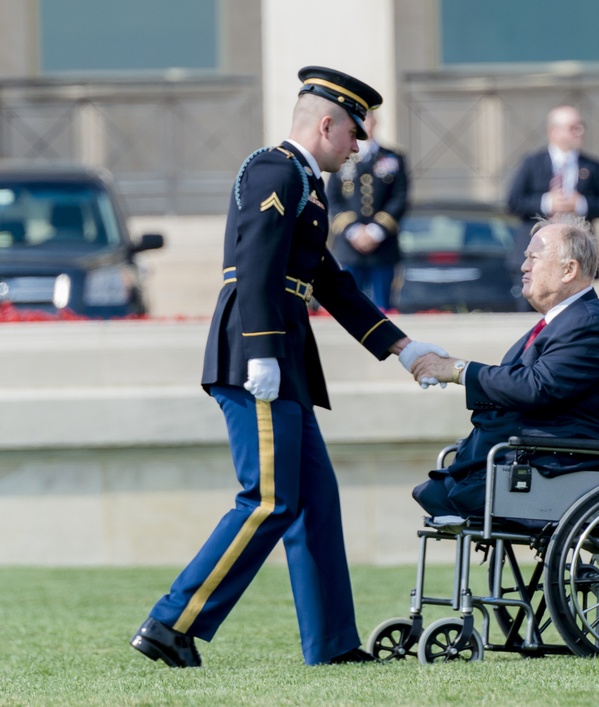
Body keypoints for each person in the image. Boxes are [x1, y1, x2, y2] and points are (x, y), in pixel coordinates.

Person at [130, 66, 444, 668]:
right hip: (260, 355)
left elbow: (329, 281)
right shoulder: (274, 168)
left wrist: (401, 348)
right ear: (326, 124)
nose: (358, 145)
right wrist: (263, 351)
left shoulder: (305, 181)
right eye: (353, 131)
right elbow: (253, 265)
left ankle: (331, 644)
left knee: (314, 500)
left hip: (283, 355)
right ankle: (172, 623)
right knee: (269, 499)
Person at [410, 219, 599, 519]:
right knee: (433, 492)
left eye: (534, 258)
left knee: (441, 494)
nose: (523, 267)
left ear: (569, 270)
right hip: (531, 460)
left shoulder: (587, 324)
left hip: (562, 470)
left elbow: (535, 388)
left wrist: (458, 370)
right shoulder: (560, 323)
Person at [505, 106, 599, 289]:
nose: (579, 132)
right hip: (537, 249)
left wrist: (580, 204)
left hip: (575, 253)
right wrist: (548, 202)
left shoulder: (594, 166)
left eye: (581, 126)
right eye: (572, 127)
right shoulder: (532, 162)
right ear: (553, 132)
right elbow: (513, 202)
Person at [326, 110, 409, 311]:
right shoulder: (342, 156)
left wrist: (376, 231)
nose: (366, 124)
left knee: (384, 309)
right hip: (349, 246)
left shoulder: (393, 157)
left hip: (383, 246)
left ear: (375, 121)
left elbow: (400, 197)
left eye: (368, 118)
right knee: (349, 307)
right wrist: (353, 231)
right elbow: (333, 198)